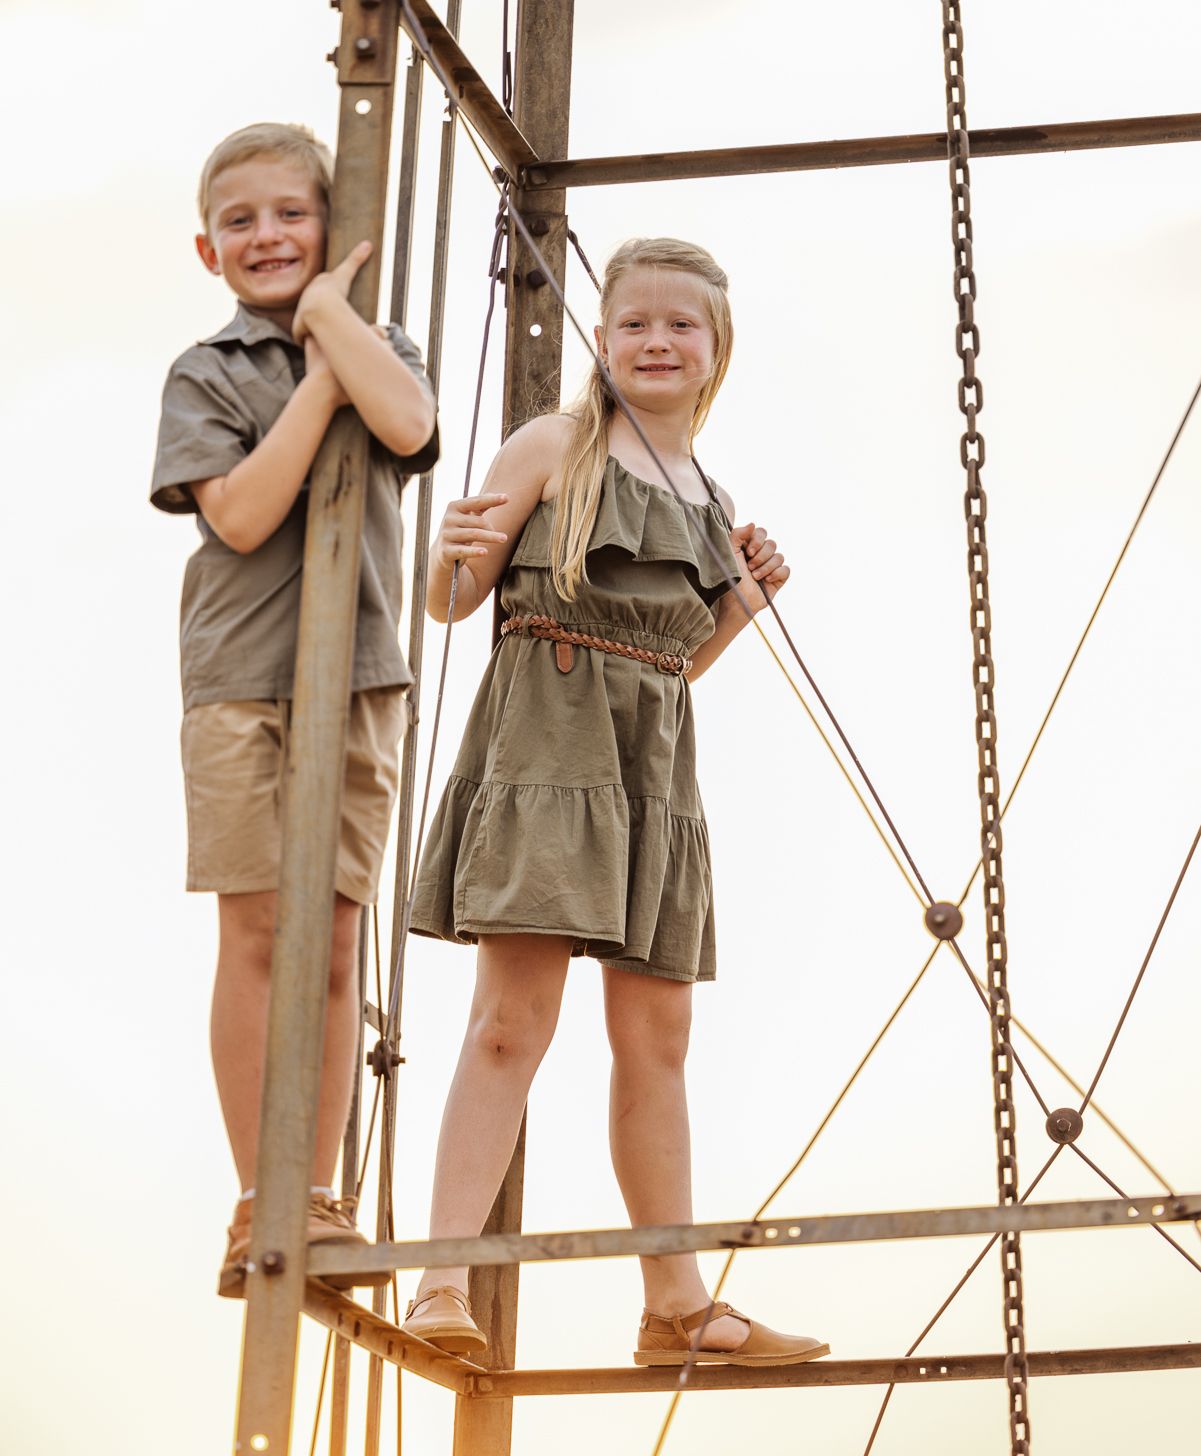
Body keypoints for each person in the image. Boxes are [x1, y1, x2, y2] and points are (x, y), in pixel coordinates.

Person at [404, 237, 828, 1368]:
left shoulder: (712, 497)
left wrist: (742, 604)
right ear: (603, 340)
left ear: (713, 350)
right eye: (633, 321)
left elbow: (671, 670)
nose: (655, 340)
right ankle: (439, 1281)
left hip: (651, 771)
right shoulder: (559, 443)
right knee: (511, 1022)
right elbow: (454, 604)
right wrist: (449, 554)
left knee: (660, 1034)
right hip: (546, 744)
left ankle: (675, 1305)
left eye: (679, 325)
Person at [150, 122, 439, 1298]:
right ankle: (260, 1194)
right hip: (240, 675)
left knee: (333, 949)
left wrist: (333, 324)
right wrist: (320, 365)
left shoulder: (384, 345)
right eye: (241, 222)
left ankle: (315, 1194)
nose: (266, 235)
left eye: (290, 214)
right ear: (208, 249)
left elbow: (410, 428)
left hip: (360, 672)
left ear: (331, 231)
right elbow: (243, 515)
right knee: (260, 933)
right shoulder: (205, 371)